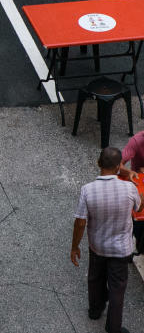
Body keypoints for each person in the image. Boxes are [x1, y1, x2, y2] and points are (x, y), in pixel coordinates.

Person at [71, 147, 142, 333]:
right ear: (120, 166)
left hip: (97, 245)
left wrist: (75, 247)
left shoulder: (87, 190)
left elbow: (80, 223)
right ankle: (113, 328)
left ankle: (95, 311)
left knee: (95, 278)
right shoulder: (129, 188)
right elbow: (140, 208)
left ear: (98, 163)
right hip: (121, 249)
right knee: (117, 289)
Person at [119, 129, 144, 254]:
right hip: (139, 183)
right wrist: (130, 172)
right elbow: (118, 165)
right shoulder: (136, 141)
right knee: (139, 215)